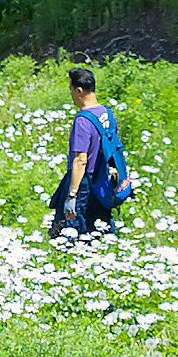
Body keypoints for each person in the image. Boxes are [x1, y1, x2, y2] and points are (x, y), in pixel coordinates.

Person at [48, 63, 132, 237]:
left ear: (79, 90)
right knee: (101, 228)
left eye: (71, 89)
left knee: (71, 232)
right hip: (104, 181)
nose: (71, 94)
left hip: (85, 183)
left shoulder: (83, 121)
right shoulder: (107, 114)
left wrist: (72, 195)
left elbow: (80, 160)